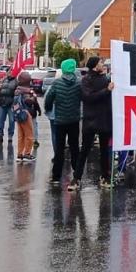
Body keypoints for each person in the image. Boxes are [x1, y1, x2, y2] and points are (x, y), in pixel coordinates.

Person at [72, 56, 114, 189]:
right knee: (85, 150)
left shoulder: (103, 79)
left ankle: (105, 176)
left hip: (100, 119)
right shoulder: (87, 80)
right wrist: (107, 90)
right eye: (101, 62)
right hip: (93, 119)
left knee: (103, 150)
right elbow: (88, 97)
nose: (103, 64)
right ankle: (77, 178)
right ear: (95, 65)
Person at [44, 59, 82, 187]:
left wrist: (48, 108)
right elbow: (83, 98)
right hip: (74, 120)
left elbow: (49, 99)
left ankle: (56, 176)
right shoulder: (78, 83)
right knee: (74, 147)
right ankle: (77, 175)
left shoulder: (57, 83)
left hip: (60, 120)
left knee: (59, 150)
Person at [13, 71, 38, 162]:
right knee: (29, 134)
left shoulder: (17, 90)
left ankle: (19, 154)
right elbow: (29, 101)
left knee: (21, 135)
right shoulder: (26, 91)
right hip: (26, 113)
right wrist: (34, 97)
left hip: (18, 113)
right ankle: (27, 153)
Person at [0, 72, 17, 143]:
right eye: (8, 72)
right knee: (0, 120)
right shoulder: (3, 80)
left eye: (11, 72)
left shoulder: (16, 81)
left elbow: (17, 93)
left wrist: (14, 103)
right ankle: (0, 135)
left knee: (12, 121)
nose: (9, 73)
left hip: (11, 105)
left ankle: (10, 136)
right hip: (2, 104)